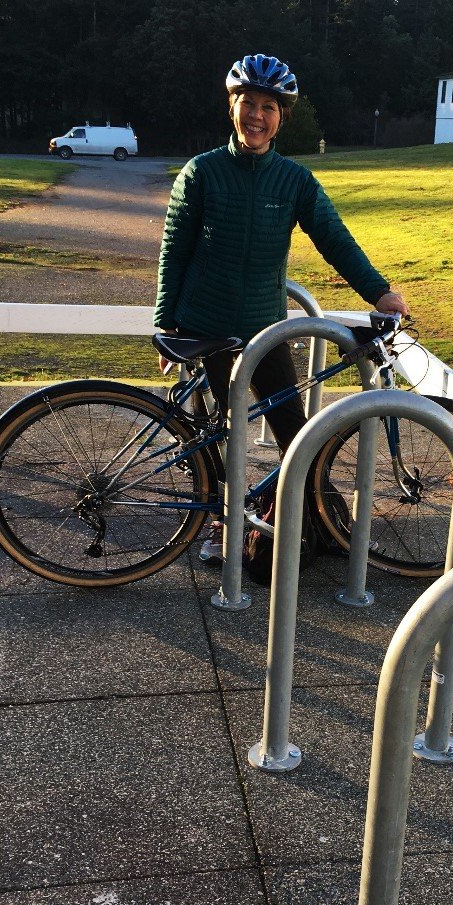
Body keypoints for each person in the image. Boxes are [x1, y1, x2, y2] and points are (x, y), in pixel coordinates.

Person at [153, 52, 408, 560]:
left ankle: (320, 521)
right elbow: (174, 249)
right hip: (205, 324)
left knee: (295, 430)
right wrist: (166, 324)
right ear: (232, 107)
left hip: (265, 327)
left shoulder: (294, 181)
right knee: (220, 438)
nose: (256, 115)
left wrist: (378, 292)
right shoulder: (201, 172)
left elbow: (334, 239)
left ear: (281, 117)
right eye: (248, 103)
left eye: (268, 107)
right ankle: (219, 527)